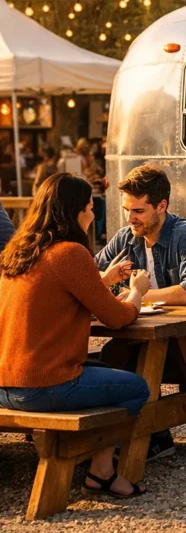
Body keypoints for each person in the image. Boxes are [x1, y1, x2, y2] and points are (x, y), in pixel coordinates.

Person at [0, 173, 151, 499]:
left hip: (4, 385)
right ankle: (101, 470)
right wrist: (137, 293)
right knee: (138, 387)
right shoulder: (69, 253)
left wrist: (104, 279)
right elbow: (116, 317)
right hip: (43, 386)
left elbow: (55, 298)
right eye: (88, 206)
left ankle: (100, 470)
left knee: (108, 371)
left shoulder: (18, 251)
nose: (93, 213)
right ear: (74, 211)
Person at [96, 164, 186, 461]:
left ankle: (152, 439)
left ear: (161, 206)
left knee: (138, 355)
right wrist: (106, 280)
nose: (130, 218)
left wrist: (138, 294)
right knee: (111, 355)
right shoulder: (126, 237)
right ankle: (114, 439)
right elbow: (91, 274)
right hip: (154, 336)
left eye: (138, 211)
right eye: (127, 210)